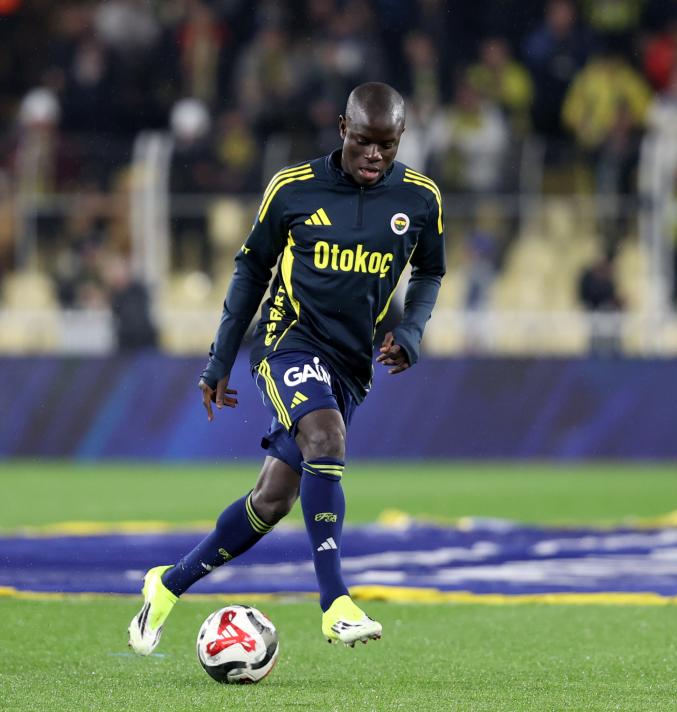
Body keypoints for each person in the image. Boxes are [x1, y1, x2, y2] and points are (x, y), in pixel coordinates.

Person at [128, 82, 445, 652]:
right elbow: (251, 270)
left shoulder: (420, 199)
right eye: (364, 141)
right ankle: (335, 603)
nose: (374, 155)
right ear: (343, 129)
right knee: (326, 437)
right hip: (287, 343)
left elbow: (430, 271)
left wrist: (412, 331)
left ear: (401, 138)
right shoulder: (293, 188)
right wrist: (220, 359)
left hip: (351, 365)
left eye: (388, 145)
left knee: (273, 499)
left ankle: (168, 584)